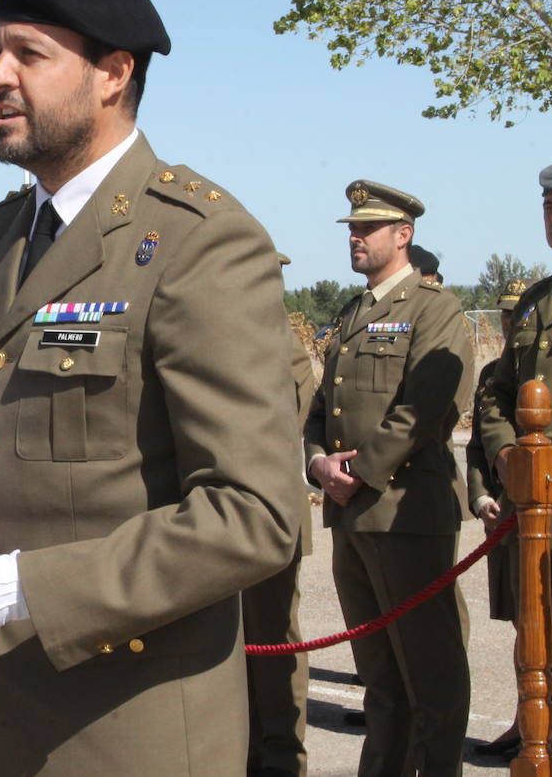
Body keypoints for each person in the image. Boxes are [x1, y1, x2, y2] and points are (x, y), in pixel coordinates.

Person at [0, 0, 302, 775]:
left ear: (113, 72)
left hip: (126, 724)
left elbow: (255, 514)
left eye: (29, 54)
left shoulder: (197, 239)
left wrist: (29, 590)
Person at [305, 180, 473, 777]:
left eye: (367, 229)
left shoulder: (435, 309)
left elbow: (427, 408)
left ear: (403, 236)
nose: (355, 236)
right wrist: (318, 462)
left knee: (431, 676)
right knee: (378, 677)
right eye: (352, 228)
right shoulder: (353, 313)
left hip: (405, 512)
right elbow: (324, 408)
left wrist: (361, 470)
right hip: (350, 514)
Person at [479, 161, 552, 774]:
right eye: (549, 204)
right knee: (550, 680)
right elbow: (495, 392)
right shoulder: (534, 301)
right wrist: (506, 455)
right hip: (535, 520)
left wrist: (546, 462)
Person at [242, 253, 317, 777]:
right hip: (220, 512)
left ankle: (279, 756)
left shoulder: (275, 334)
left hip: (263, 511)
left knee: (270, 640)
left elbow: (285, 416)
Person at [464, 278, 527, 758]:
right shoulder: (493, 372)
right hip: (505, 517)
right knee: (523, 624)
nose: (509, 321)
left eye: (515, 313)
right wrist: (482, 496)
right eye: (504, 313)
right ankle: (526, 721)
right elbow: (476, 446)